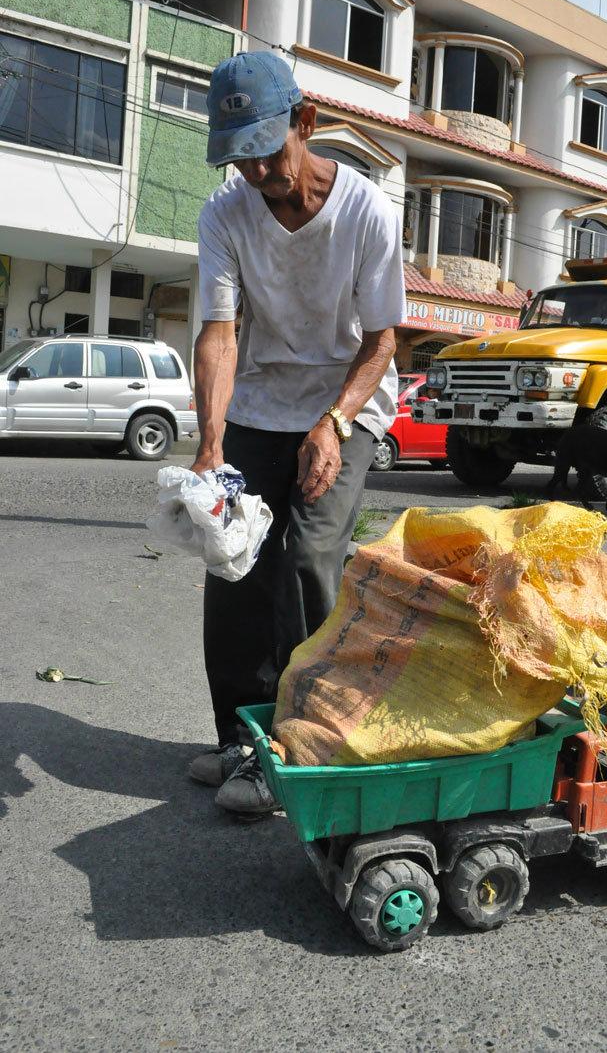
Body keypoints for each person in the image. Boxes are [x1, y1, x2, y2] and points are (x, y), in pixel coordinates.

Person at [187, 50, 406, 817]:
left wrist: (335, 422)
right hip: (258, 405)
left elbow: (382, 341)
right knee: (234, 560)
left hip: (347, 405)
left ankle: (306, 743)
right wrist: (211, 445)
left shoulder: (368, 213)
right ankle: (241, 739)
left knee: (309, 554)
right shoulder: (225, 213)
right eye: (238, 159)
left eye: (267, 153)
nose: (255, 174)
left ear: (305, 123)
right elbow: (219, 334)